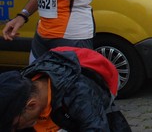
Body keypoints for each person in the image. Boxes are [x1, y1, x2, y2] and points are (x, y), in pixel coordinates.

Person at [0, 46, 131, 131]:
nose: (14, 130)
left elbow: (96, 128)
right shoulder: (21, 88)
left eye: (15, 126)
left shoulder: (80, 94)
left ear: (32, 105)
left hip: (100, 91)